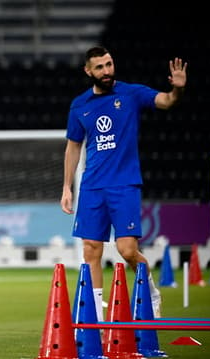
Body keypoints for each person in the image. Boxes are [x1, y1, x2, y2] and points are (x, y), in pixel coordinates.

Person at [60, 46, 187, 321]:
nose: (106, 71)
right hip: (92, 186)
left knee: (127, 250)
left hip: (124, 184)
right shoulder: (79, 105)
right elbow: (73, 147)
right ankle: (95, 318)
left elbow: (165, 101)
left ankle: (151, 292)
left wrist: (177, 90)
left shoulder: (130, 93)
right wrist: (67, 187)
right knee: (90, 251)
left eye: (109, 64)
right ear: (88, 71)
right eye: (100, 67)